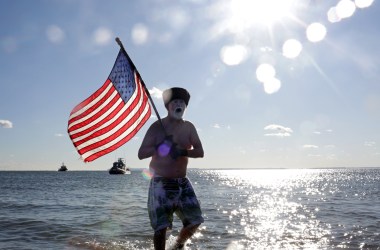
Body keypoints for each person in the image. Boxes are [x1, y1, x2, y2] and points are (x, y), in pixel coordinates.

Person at [138, 87, 204, 250]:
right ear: (168, 106)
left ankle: (177, 245)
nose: (178, 104)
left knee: (195, 221)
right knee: (161, 227)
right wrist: (161, 147)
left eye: (182, 102)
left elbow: (200, 152)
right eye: (175, 101)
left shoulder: (189, 127)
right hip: (160, 183)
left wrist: (181, 151)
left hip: (182, 182)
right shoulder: (157, 127)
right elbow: (141, 153)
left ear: (185, 107)